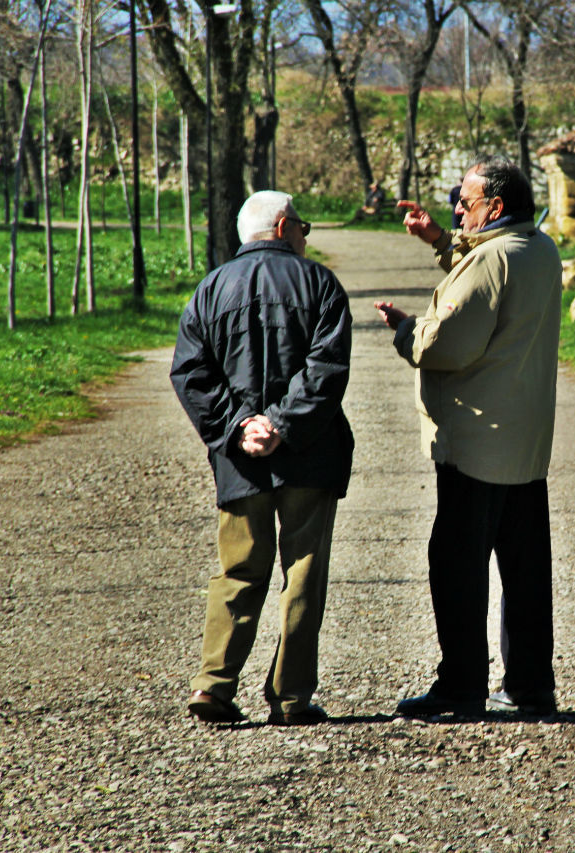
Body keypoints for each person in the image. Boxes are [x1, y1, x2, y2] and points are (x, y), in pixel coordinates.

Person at [374, 156, 562, 718]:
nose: (457, 207)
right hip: (524, 445)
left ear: (495, 208)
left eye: (466, 200)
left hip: (476, 442)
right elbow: (485, 266)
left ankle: (460, 687)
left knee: (455, 564)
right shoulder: (540, 249)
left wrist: (409, 331)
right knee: (525, 571)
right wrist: (439, 240)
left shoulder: (493, 259)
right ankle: (529, 686)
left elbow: (445, 346)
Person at [171, 190, 354, 726]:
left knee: (239, 571)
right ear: (280, 227)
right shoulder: (319, 284)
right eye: (302, 225)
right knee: (303, 573)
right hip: (310, 453)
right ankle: (292, 696)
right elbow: (327, 369)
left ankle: (213, 687)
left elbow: (190, 373)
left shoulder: (210, 289)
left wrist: (240, 426)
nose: (305, 234)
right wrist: (282, 423)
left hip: (240, 460)